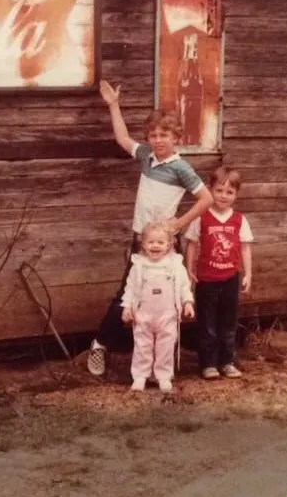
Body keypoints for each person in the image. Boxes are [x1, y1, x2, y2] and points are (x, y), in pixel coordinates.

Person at [87, 80, 213, 377]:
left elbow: (206, 198)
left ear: (176, 138)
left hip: (166, 243)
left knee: (166, 296)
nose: (158, 140)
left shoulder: (181, 168)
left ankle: (162, 363)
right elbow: (122, 138)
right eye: (153, 135)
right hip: (139, 241)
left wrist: (179, 224)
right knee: (127, 294)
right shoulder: (147, 157)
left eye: (164, 135)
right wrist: (113, 105)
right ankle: (100, 344)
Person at [184, 165, 254, 379]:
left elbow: (245, 247)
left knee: (228, 322)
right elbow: (192, 244)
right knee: (207, 323)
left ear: (236, 195)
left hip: (231, 278)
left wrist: (248, 274)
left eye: (229, 192)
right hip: (206, 279)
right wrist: (188, 270)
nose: (224, 196)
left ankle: (227, 361)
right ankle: (208, 364)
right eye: (219, 190)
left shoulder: (239, 220)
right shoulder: (201, 216)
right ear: (210, 190)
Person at [120, 221, 195, 393]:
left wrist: (187, 302)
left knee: (166, 346)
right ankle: (140, 376)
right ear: (143, 244)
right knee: (142, 345)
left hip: (167, 314)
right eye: (151, 242)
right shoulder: (138, 266)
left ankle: (163, 376)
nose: (155, 246)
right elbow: (130, 288)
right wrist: (127, 307)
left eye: (160, 242)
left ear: (169, 244)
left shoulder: (175, 265)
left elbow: (184, 286)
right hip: (143, 314)